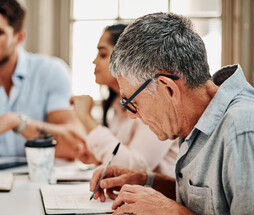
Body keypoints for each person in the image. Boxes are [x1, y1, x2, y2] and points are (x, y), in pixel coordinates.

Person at [89, 12, 254, 215]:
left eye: (133, 102)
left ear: (168, 89)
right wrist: (146, 180)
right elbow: (212, 203)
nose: (133, 115)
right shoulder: (195, 118)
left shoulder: (245, 131)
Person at [0, 0, 84, 168]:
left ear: (19, 37)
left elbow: (75, 146)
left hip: (40, 183)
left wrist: (16, 122)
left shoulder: (51, 72)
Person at [70, 24, 178, 177]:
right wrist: (96, 157)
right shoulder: (118, 106)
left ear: (125, 58)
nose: (94, 62)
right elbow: (121, 159)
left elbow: (135, 169)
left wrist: (87, 120)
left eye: (102, 54)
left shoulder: (152, 102)